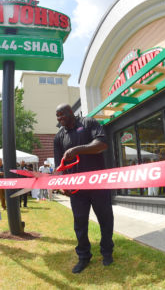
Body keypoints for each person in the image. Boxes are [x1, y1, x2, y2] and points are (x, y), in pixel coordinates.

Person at [54, 103, 114, 274]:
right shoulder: (59, 137)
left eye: (62, 115)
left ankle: (107, 252)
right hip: (77, 188)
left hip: (98, 183)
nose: (59, 119)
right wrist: (63, 182)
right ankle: (83, 257)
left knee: (105, 218)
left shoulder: (88, 123)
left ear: (71, 112)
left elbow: (102, 144)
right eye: (57, 117)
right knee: (80, 223)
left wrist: (78, 150)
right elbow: (60, 165)